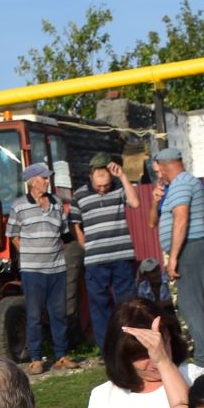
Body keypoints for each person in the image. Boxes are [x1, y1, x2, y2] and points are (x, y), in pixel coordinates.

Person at [80, 299, 196, 408]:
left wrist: (164, 362)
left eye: (160, 347)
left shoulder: (196, 377)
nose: (154, 360)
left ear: (170, 338)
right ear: (122, 356)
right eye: (143, 355)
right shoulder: (103, 396)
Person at [150, 148, 204, 367]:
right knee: (199, 304)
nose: (158, 174)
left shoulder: (180, 184)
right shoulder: (188, 182)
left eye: (157, 169)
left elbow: (181, 218)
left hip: (189, 249)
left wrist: (174, 257)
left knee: (191, 306)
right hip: (196, 246)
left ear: (163, 166)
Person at [71, 153, 141, 361]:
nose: (103, 188)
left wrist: (124, 177)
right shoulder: (79, 196)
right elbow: (75, 225)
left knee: (127, 304)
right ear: (91, 175)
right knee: (99, 306)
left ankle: (129, 346)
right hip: (95, 260)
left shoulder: (119, 188)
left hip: (121, 256)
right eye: (99, 184)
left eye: (106, 184)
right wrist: (87, 247)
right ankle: (107, 351)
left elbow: (135, 203)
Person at [9, 163, 73, 374]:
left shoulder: (56, 203)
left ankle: (61, 355)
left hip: (56, 268)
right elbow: (13, 236)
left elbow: (64, 231)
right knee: (34, 315)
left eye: (47, 178)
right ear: (32, 181)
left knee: (59, 313)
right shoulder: (19, 206)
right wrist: (29, 253)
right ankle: (36, 358)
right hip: (32, 270)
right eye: (43, 178)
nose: (47, 181)